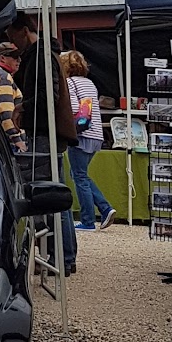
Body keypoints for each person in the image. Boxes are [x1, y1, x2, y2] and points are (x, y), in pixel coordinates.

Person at [7, 13, 78, 275]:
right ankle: (64, 256)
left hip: (46, 132)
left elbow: (48, 95)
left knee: (50, 196)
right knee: (56, 193)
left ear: (24, 30)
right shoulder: (46, 54)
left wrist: (22, 107)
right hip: (50, 131)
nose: (11, 42)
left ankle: (61, 257)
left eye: (12, 35)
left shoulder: (40, 56)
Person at [61, 50, 115, 231]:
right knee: (79, 174)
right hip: (96, 135)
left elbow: (75, 108)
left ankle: (88, 220)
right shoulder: (89, 83)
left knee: (80, 177)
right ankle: (105, 209)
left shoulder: (68, 82)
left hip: (81, 135)